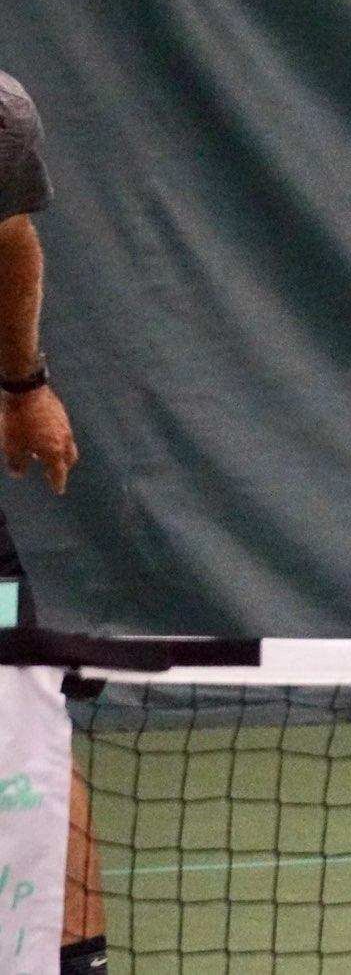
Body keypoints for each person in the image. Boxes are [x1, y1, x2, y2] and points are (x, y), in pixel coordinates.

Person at [0, 72, 101, 975]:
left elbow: (12, 237)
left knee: (26, 699)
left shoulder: (1, 115)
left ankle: (75, 961)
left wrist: (24, 386)